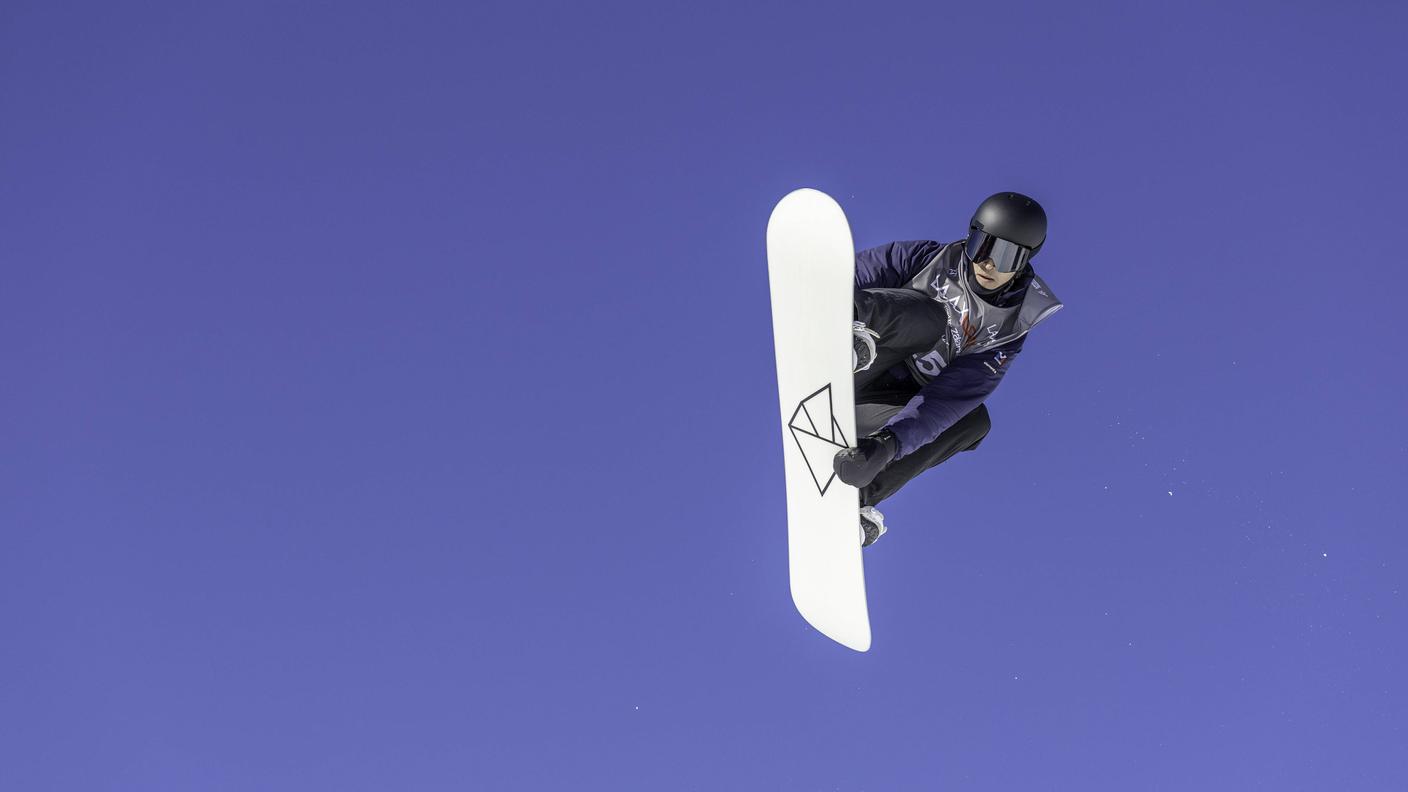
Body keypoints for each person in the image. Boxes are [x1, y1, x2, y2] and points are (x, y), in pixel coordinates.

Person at [832, 192, 1064, 547]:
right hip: (859, 366)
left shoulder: (1007, 331)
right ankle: (848, 340)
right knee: (933, 317)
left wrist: (887, 447)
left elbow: (947, 401)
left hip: (877, 411)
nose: (988, 263)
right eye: (980, 245)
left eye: (1004, 255)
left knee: (973, 422)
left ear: (1024, 262)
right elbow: (855, 272)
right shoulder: (929, 258)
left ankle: (856, 497)